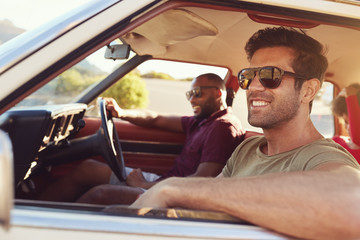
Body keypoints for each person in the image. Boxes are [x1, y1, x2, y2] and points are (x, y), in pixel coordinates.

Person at [130, 27, 360, 240]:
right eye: (249, 77)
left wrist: (175, 188)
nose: (253, 87)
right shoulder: (248, 149)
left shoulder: (322, 156)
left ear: (308, 90)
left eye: (271, 75)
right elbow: (206, 202)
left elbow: (353, 202)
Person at [37, 73, 245, 203]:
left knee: (100, 194)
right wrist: (121, 113)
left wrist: (146, 186)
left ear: (218, 94)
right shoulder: (202, 120)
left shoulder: (222, 127)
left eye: (197, 93)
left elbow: (203, 181)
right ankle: (35, 211)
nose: (192, 99)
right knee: (88, 168)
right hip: (166, 181)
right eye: (189, 94)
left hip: (177, 193)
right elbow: (155, 118)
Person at [332, 83, 360, 163]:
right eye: (346, 122)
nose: (348, 127)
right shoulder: (336, 142)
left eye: (353, 121)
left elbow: (357, 138)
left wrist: (351, 97)